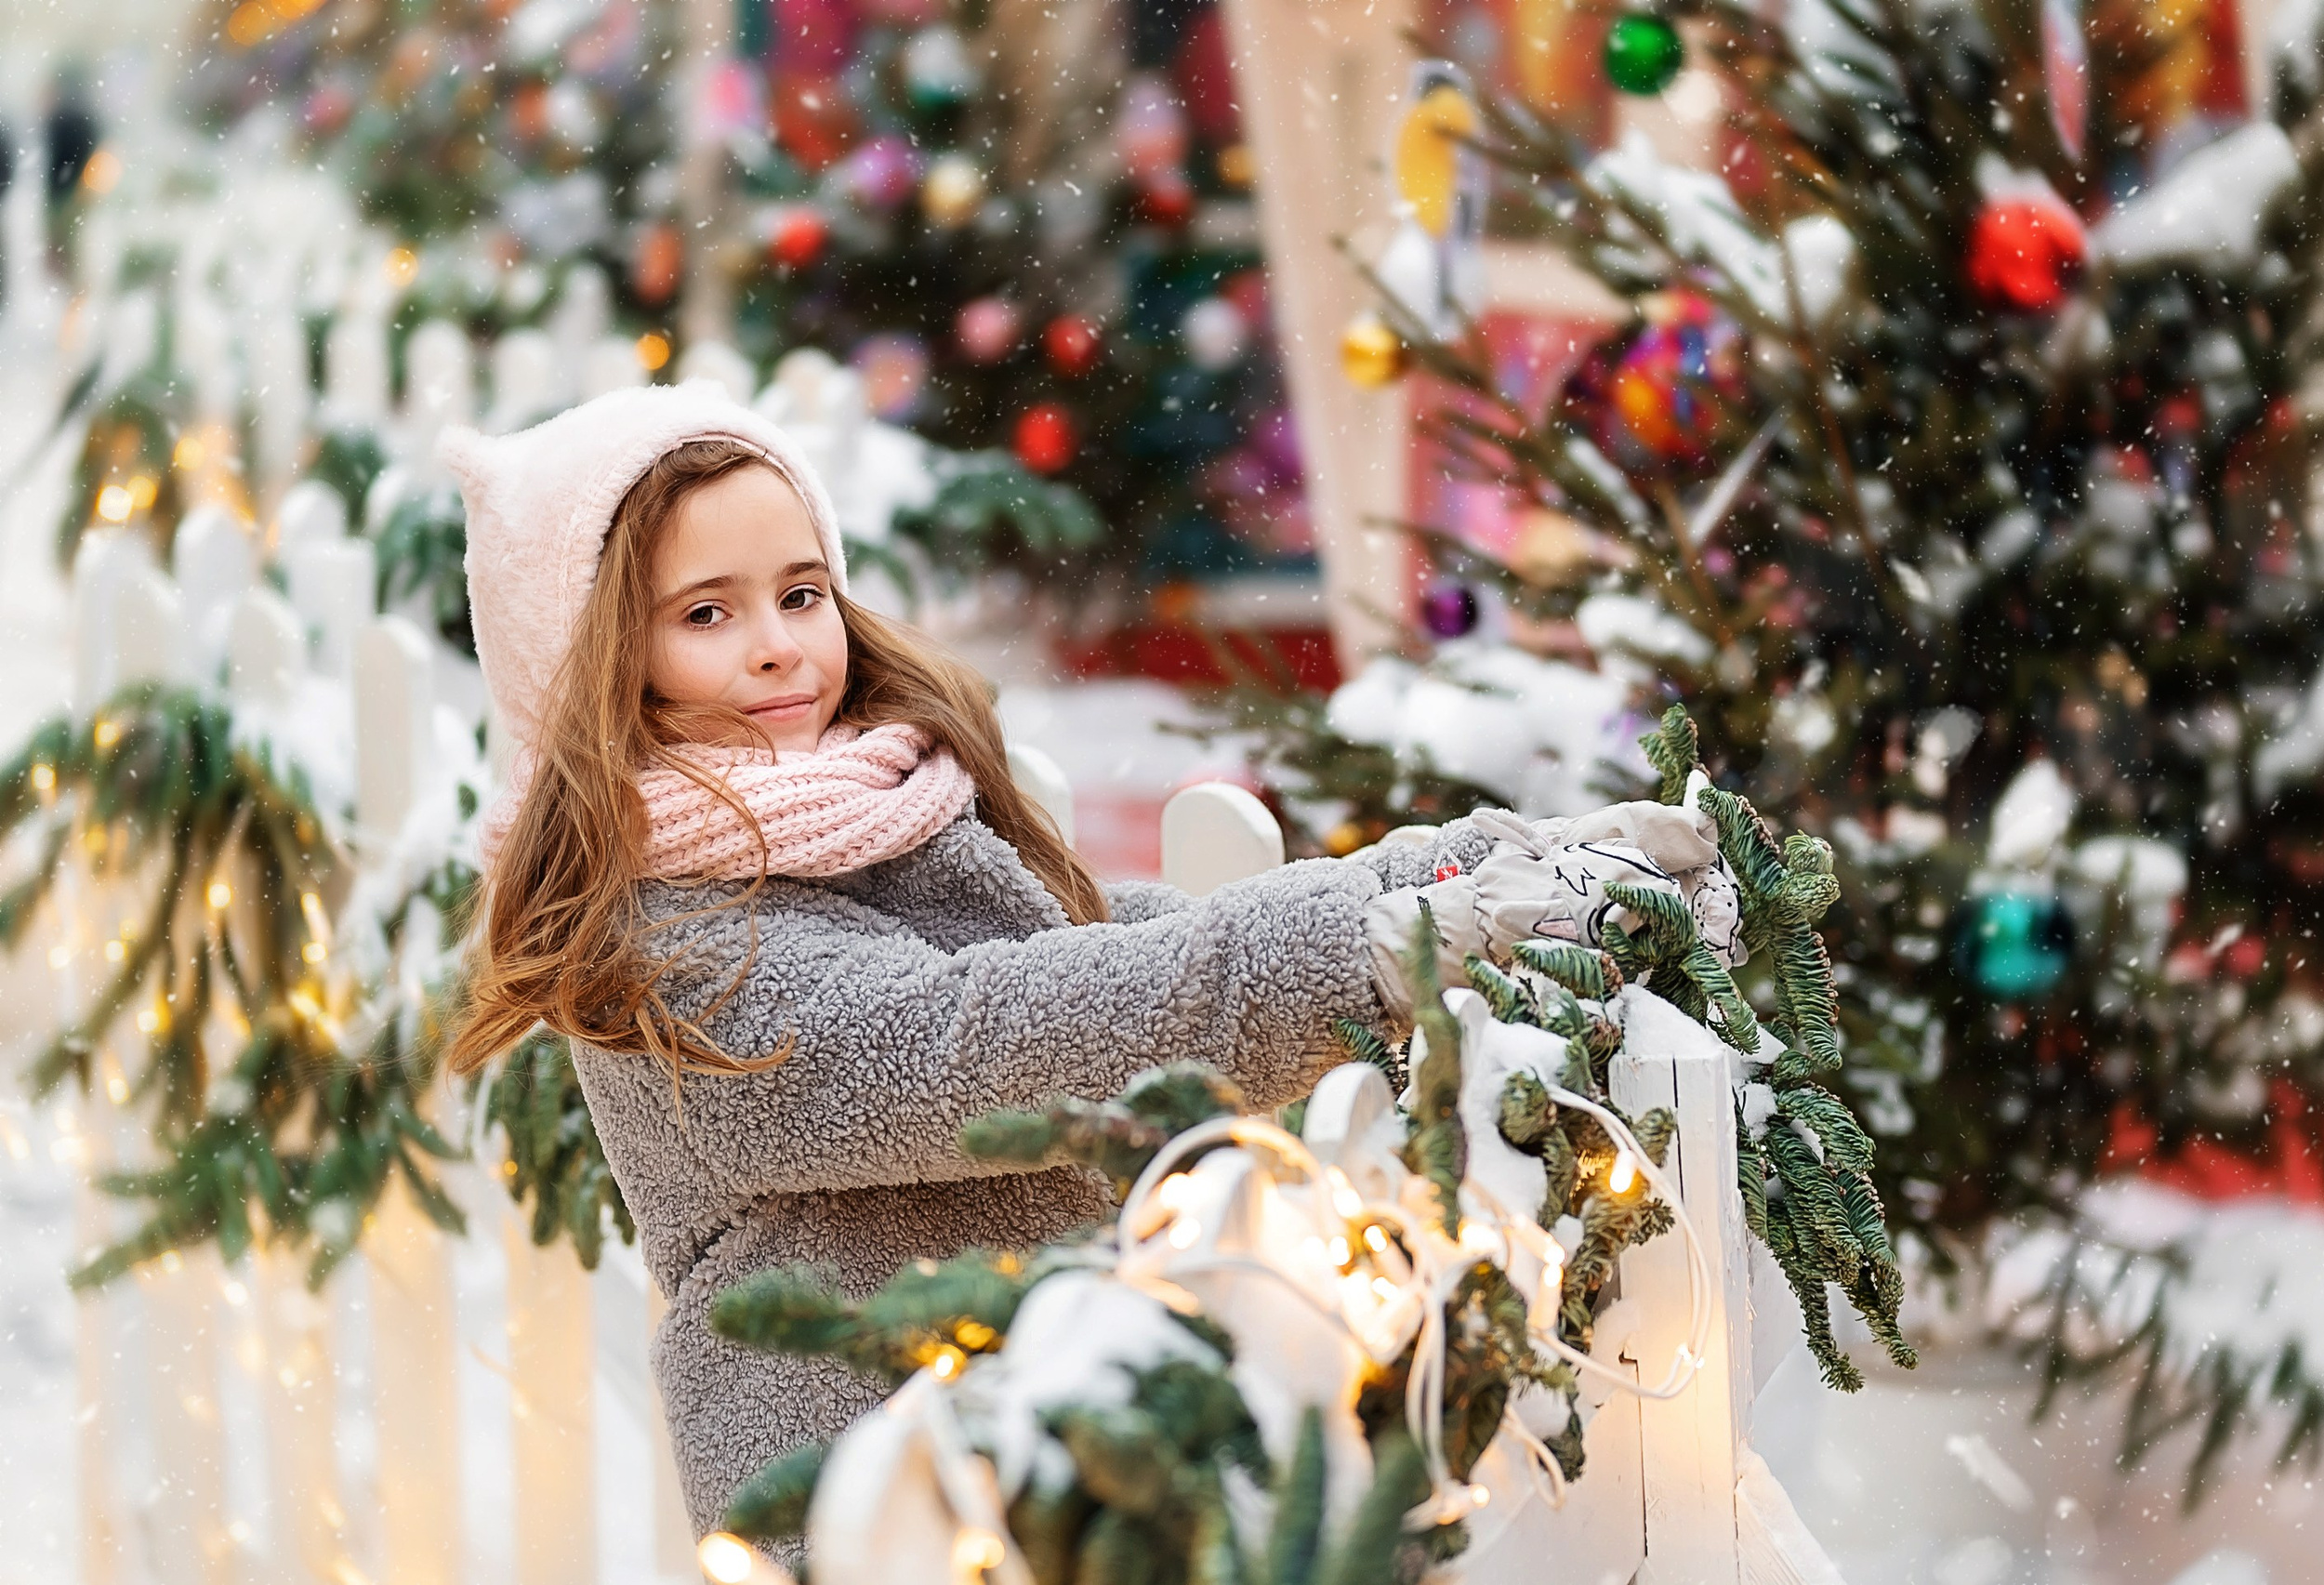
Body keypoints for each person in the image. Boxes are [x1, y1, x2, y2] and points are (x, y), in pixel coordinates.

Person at [438, 383, 1598, 1554]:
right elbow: (970, 1041)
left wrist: (1446, 874)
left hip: (1079, 1453)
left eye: (801, 593)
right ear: (596, 664)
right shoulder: (660, 937)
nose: (780, 642)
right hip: (888, 1493)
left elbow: (1092, 943)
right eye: (706, 614)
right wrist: (1354, 951)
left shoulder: (877, 813)